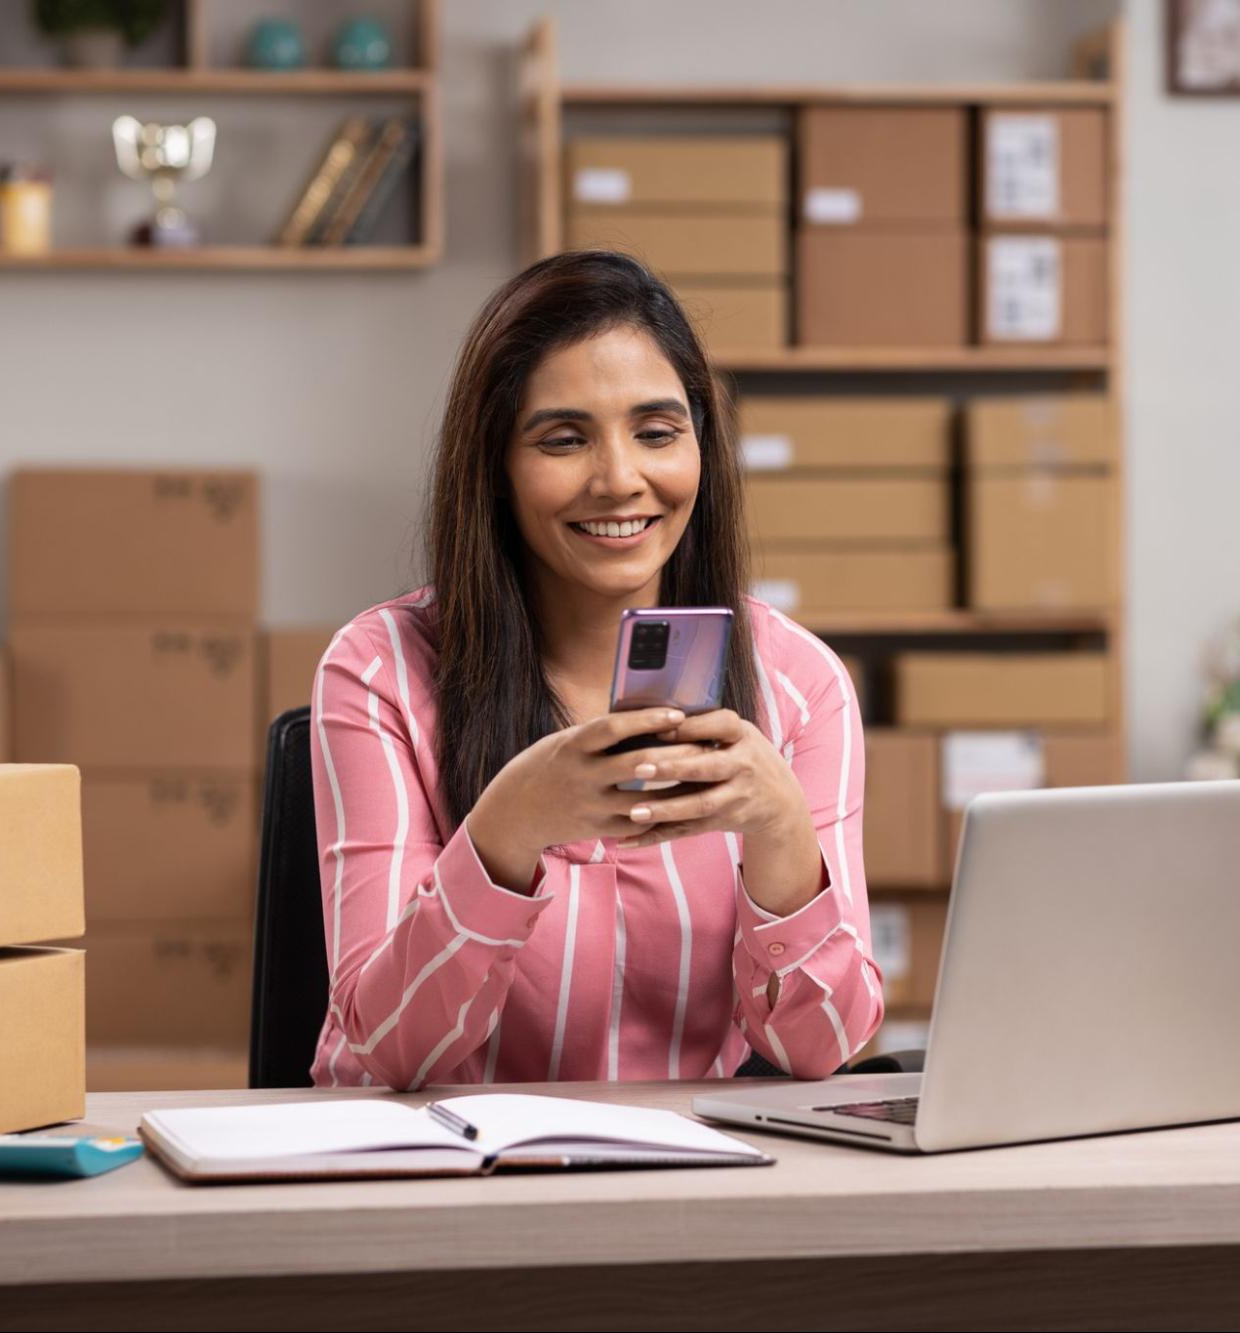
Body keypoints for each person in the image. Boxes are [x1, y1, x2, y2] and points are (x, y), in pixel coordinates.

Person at [309, 250, 882, 1090]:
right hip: (453, 1186)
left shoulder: (800, 684)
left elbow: (821, 1046)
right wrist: (506, 829)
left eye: (656, 432)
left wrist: (782, 833)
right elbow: (380, 1052)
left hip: (690, 1185)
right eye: (564, 439)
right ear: (495, 466)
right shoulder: (379, 672)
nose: (620, 480)